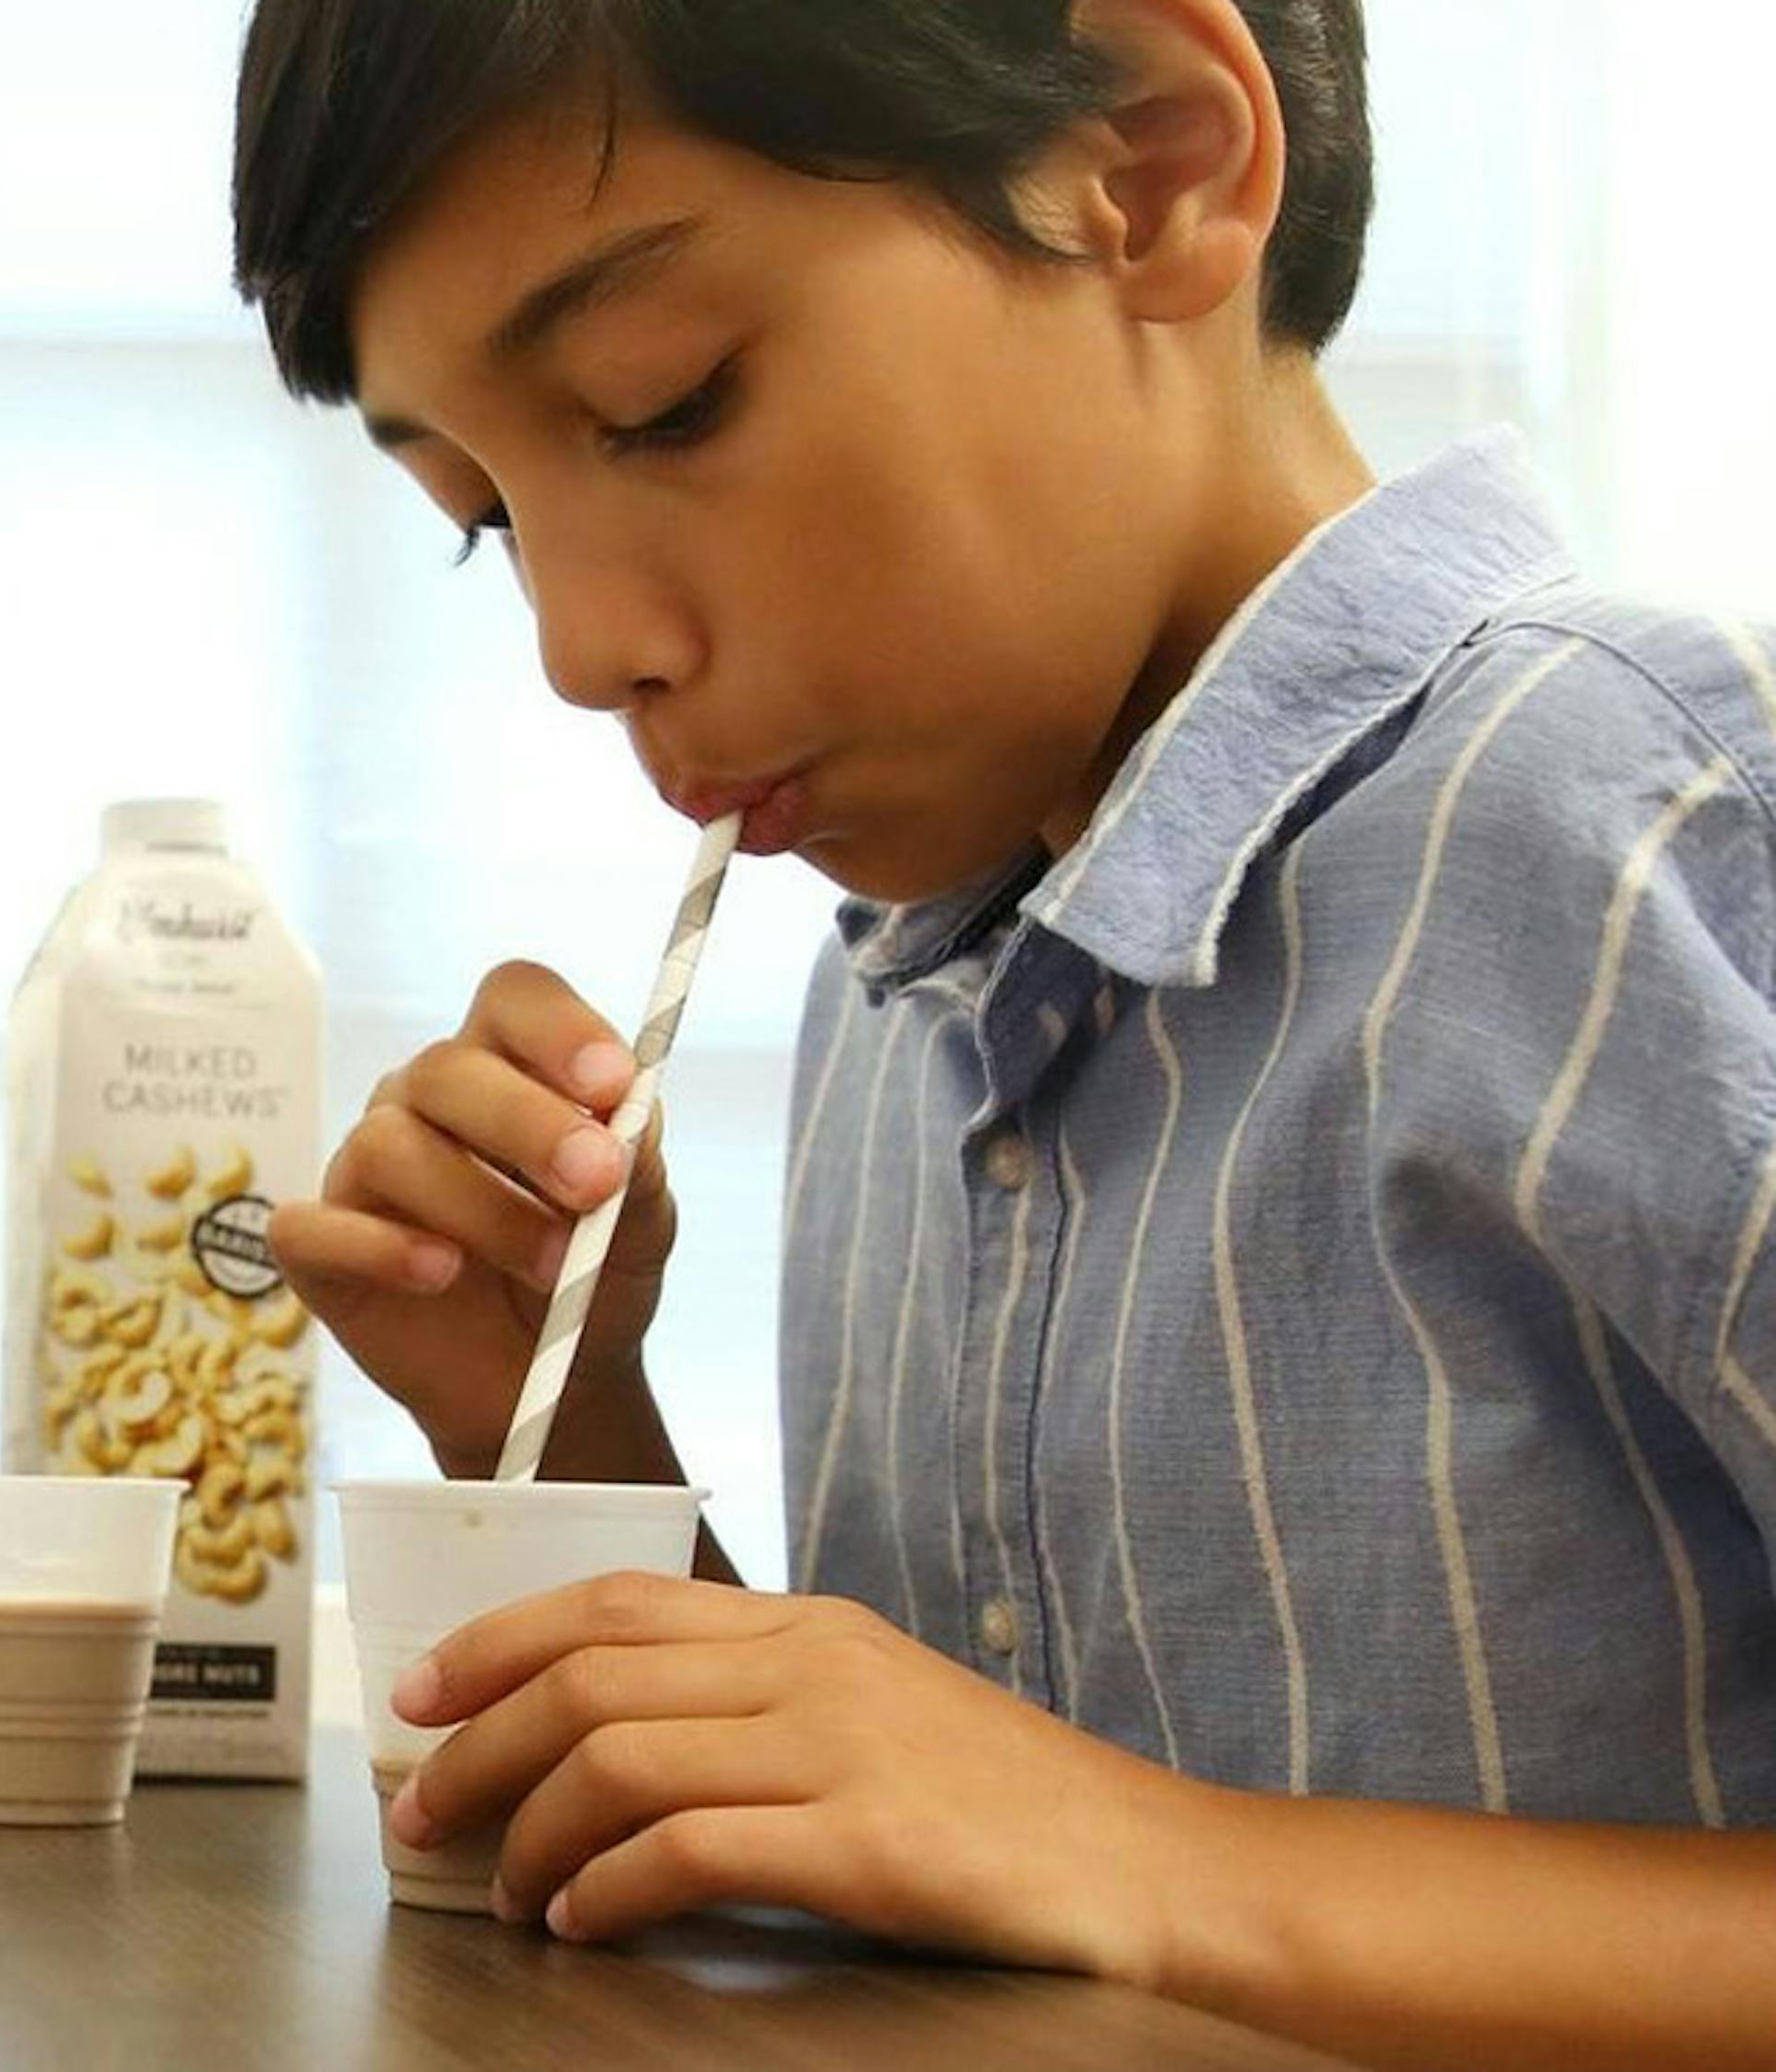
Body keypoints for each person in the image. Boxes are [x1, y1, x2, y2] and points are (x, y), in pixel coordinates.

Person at [233, 3, 1776, 2065]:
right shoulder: (895, 994)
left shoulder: (1649, 828)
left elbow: (1079, 1857)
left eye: (666, 402)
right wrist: (569, 1426)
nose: (582, 649)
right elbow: (939, 1857)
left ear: (1147, 166)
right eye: (488, 516)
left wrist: (1151, 1856)